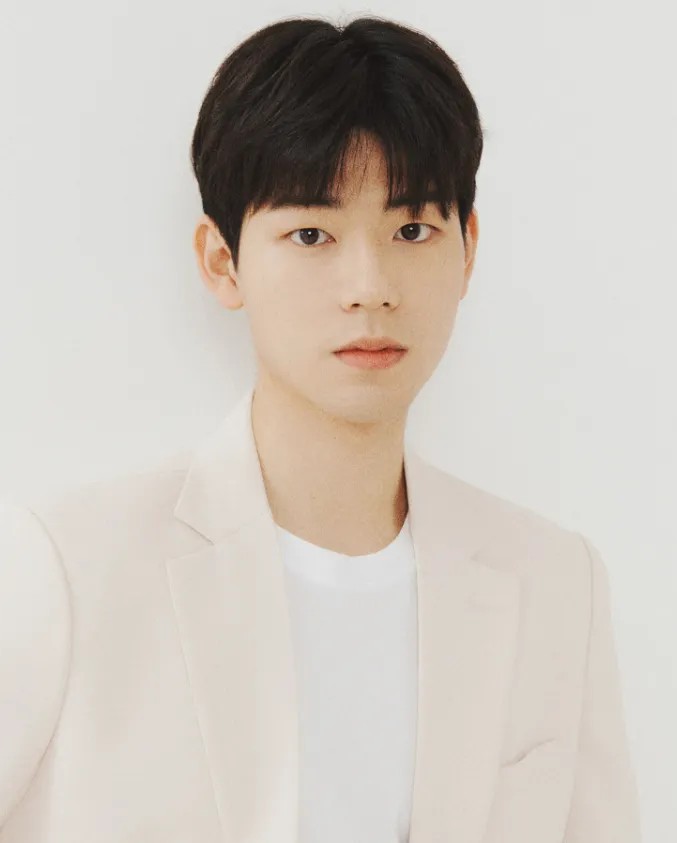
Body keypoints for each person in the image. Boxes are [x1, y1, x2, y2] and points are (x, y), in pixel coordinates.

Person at [0, 14, 642, 843]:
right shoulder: (69, 565)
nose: (368, 284)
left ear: (467, 249)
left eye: (411, 230)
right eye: (311, 233)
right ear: (222, 261)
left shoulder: (554, 580)